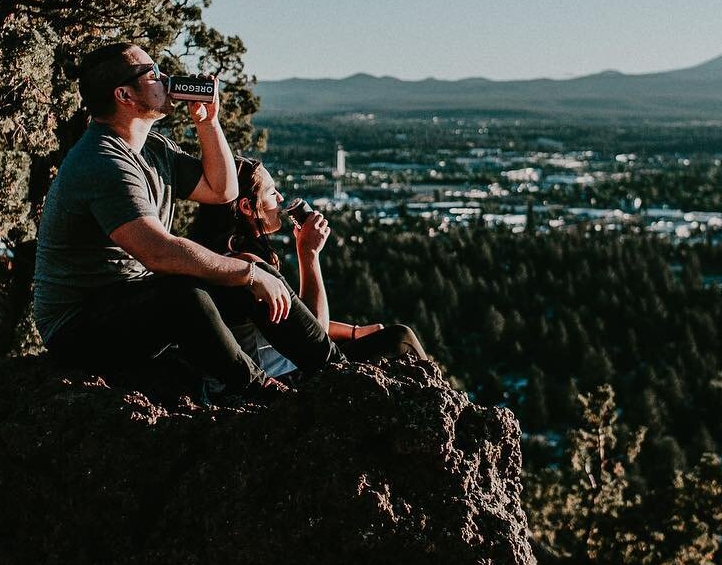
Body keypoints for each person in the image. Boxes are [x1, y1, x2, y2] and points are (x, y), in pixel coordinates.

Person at [32, 43, 343, 396]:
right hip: (77, 327)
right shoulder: (102, 162)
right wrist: (248, 274)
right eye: (153, 74)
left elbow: (222, 189)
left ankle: (334, 371)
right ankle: (261, 394)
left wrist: (208, 122)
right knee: (187, 295)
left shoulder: (152, 149)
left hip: (129, 301)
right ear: (124, 95)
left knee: (249, 268)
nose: (167, 78)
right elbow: (159, 254)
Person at [191, 157, 427, 371]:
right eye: (272, 193)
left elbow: (293, 318)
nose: (280, 199)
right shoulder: (247, 271)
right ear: (247, 207)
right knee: (400, 338)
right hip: (280, 381)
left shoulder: (212, 258)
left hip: (274, 369)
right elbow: (314, 335)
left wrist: (354, 332)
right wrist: (309, 254)